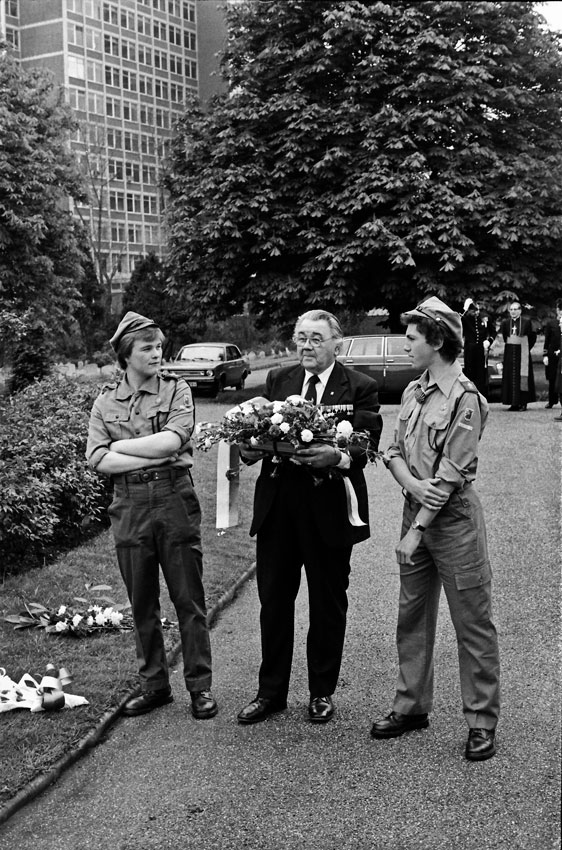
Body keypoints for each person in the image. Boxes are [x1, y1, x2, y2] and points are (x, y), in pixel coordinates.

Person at [370, 296, 500, 761]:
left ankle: (482, 721)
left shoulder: (466, 399)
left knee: (473, 624)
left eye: (411, 338)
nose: (405, 344)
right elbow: (392, 451)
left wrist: (416, 528)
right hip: (416, 509)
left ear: (437, 341)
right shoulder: (413, 392)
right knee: (412, 617)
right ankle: (411, 707)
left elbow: (449, 475)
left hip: (453, 523)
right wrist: (409, 483)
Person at [237, 309, 382, 725]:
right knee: (274, 603)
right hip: (279, 510)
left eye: (316, 338)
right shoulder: (278, 381)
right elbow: (258, 437)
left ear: (337, 342)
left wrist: (335, 456)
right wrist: (248, 450)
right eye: (300, 337)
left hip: (329, 509)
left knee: (327, 604)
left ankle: (321, 691)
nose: (306, 346)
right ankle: (270, 693)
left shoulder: (360, 387)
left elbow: (365, 445)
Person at [86, 312, 217, 720]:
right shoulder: (105, 400)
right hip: (128, 505)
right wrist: (150, 449)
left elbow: (174, 441)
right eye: (147, 348)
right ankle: (155, 685)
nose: (157, 353)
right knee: (141, 601)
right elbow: (95, 459)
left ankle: (200, 686)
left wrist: (119, 449)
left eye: (159, 346)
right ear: (126, 355)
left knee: (187, 598)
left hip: (172, 497)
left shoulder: (177, 390)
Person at [499, 301, 537, 411]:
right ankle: (513, 403)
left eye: (515, 309)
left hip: (522, 352)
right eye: (511, 309)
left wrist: (525, 348)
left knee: (522, 376)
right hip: (510, 352)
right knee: (510, 376)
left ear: (520, 310)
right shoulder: (506, 322)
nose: (513, 312)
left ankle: (523, 403)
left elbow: (532, 337)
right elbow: (505, 337)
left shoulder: (526, 321)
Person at [461, 298, 495, 396]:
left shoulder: (486, 317)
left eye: (475, 310)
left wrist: (489, 341)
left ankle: (481, 397)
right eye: (472, 311)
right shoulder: (465, 318)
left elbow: (493, 332)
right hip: (469, 349)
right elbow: (458, 321)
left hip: (481, 349)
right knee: (469, 373)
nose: (475, 313)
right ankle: (469, 396)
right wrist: (465, 309)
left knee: (481, 375)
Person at [543, 299, 562, 409]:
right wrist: (545, 355)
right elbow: (547, 340)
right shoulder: (552, 324)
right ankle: (552, 400)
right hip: (553, 354)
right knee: (552, 378)